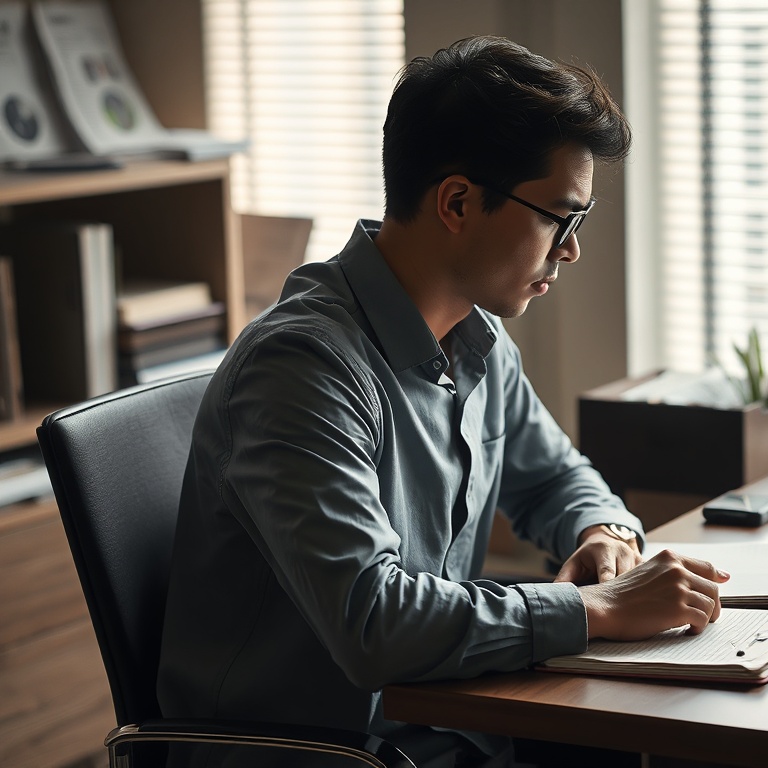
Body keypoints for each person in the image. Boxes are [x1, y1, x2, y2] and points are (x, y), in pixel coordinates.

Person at [157, 35, 729, 768]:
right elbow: (375, 624)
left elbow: (556, 478)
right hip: (330, 753)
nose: (571, 250)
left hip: (444, 727)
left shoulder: (477, 340)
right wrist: (595, 610)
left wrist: (605, 536)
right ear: (458, 202)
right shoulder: (301, 368)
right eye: (561, 217)